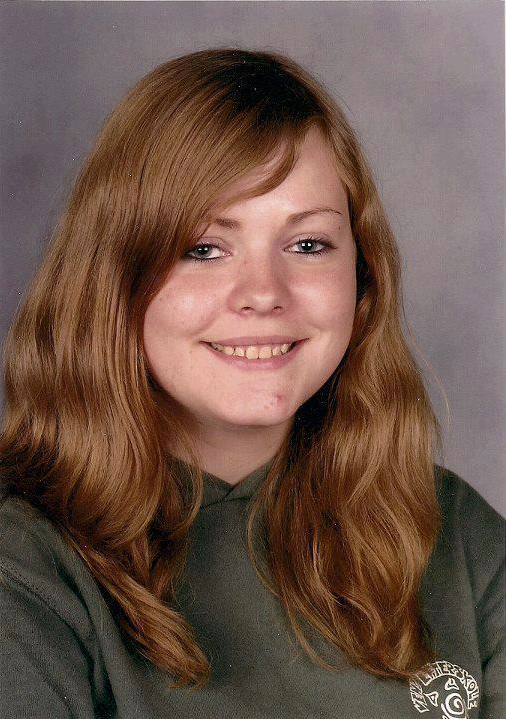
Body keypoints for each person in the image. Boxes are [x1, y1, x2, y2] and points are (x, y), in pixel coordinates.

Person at [0, 47, 504, 719]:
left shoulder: (455, 532)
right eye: (204, 249)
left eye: (307, 245)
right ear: (113, 279)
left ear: (362, 278)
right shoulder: (24, 563)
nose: (263, 293)